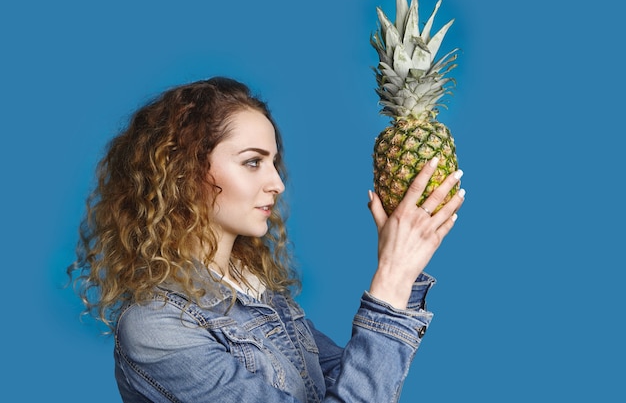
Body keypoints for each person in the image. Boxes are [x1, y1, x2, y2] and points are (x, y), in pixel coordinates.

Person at [67, 76, 465, 402]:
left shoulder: (263, 296)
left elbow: (354, 386)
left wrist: (403, 271)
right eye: (253, 162)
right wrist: (390, 282)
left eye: (273, 163)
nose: (276, 183)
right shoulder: (156, 328)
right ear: (182, 171)